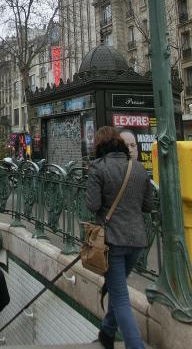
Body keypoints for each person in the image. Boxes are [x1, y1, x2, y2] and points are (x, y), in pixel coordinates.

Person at [86, 126, 153, 349]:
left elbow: (92, 205)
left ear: (99, 145)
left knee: (121, 298)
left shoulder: (98, 167)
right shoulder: (139, 168)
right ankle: (107, 332)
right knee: (118, 289)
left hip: (112, 242)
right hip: (138, 241)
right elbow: (147, 206)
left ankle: (135, 345)